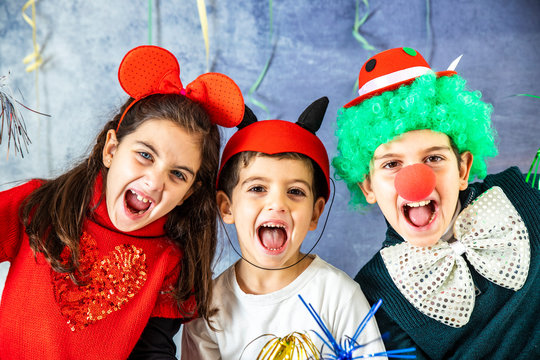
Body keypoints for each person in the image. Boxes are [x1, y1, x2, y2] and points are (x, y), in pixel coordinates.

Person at [0, 45, 245, 359]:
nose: (155, 182)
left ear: (190, 191)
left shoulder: (172, 262)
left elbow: (152, 352)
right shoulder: (41, 205)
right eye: (145, 155)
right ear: (111, 150)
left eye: (178, 174)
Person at [333, 47, 540, 359]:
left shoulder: (524, 194)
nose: (416, 180)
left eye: (433, 158)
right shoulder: (377, 295)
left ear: (462, 169)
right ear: (368, 187)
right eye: (391, 165)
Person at [181, 97, 387, 360]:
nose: (278, 204)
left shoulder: (340, 297)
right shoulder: (209, 308)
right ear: (226, 207)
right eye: (257, 188)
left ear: (315, 213)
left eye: (295, 191)